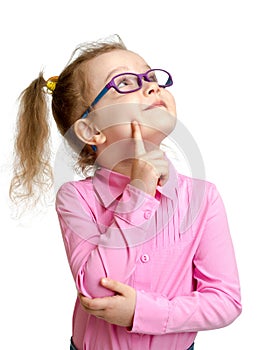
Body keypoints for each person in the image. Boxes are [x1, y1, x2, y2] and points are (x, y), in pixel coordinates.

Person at [9, 34, 242, 350]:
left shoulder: (202, 198)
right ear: (92, 130)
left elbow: (226, 301)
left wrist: (143, 312)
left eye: (150, 76)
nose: (152, 86)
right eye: (125, 83)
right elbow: (96, 291)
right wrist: (140, 192)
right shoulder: (76, 199)